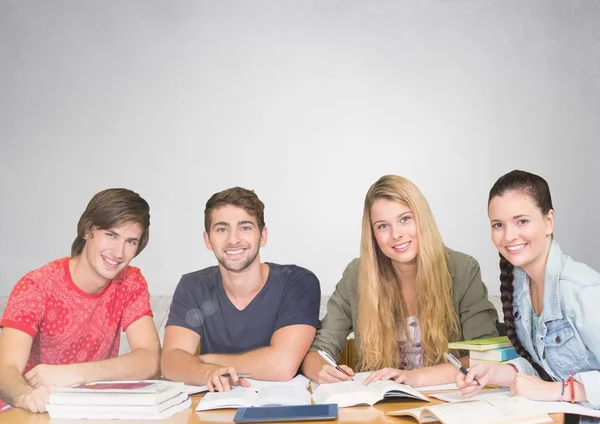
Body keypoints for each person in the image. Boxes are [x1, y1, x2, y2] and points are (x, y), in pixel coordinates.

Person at [301, 175, 498, 387]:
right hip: (380, 407)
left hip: (446, 401)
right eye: (383, 226)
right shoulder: (356, 275)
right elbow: (318, 351)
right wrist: (322, 370)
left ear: (422, 218)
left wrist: (416, 378)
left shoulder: (463, 270)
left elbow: (486, 356)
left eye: (405, 219)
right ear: (373, 234)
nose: (396, 234)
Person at [0, 188, 160, 414]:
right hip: (27, 410)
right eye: (111, 235)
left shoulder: (131, 282)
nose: (118, 252)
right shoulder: (36, 286)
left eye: (130, 241)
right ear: (87, 230)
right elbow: (6, 369)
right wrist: (27, 396)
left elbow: (150, 360)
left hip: (86, 409)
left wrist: (73, 374)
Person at [457, 170, 600, 410]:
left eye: (522, 221)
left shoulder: (581, 292)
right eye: (498, 225)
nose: (509, 236)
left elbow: (552, 386)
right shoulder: (521, 286)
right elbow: (548, 368)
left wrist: (560, 391)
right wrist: (496, 373)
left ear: (549, 222)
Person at [161, 187, 321, 392]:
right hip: (217, 404)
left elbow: (282, 365)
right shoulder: (192, 285)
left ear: (263, 236)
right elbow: (171, 362)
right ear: (207, 240)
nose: (233, 239)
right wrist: (207, 372)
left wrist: (204, 361)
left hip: (283, 408)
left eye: (245, 227)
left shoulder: (298, 282)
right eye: (221, 229)